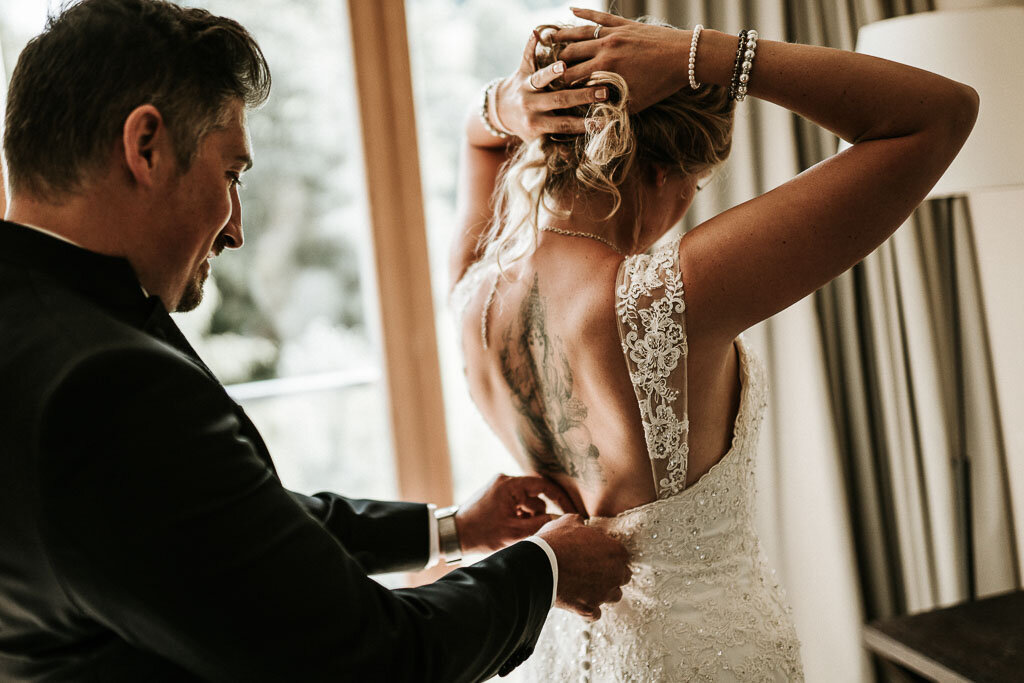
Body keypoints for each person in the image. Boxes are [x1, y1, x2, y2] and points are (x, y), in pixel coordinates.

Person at [0, 1, 633, 681]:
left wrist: (450, 529)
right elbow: (372, 656)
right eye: (231, 175)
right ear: (146, 145)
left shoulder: (33, 326)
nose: (234, 227)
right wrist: (543, 569)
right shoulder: (107, 386)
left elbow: (215, 536)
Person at [451, 7, 978, 680]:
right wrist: (710, 54)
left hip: (566, 652)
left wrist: (511, 102)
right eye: (696, 188)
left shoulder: (473, 288)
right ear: (666, 172)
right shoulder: (661, 297)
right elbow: (942, 113)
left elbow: (479, 137)